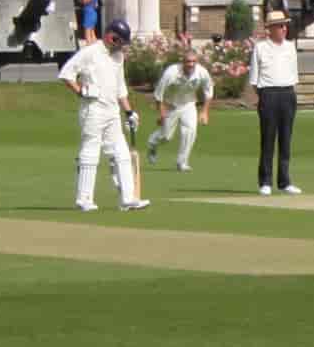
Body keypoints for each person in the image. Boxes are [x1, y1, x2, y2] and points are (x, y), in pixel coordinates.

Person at [62, 23, 148, 213]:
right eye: (120, 42)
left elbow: (120, 88)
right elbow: (66, 74)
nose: (122, 46)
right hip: (93, 110)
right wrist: (81, 91)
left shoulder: (118, 57)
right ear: (111, 37)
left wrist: (129, 112)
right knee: (90, 152)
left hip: (112, 112)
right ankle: (84, 199)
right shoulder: (90, 52)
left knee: (121, 154)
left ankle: (128, 198)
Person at [252, 7, 303, 195]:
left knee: (286, 139)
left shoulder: (290, 47)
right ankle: (265, 181)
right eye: (280, 26)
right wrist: (264, 96)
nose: (284, 29)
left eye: (285, 26)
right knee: (268, 140)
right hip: (268, 94)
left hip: (288, 93)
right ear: (271, 29)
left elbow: (293, 74)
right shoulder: (260, 48)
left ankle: (284, 181)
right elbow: (254, 80)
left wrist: (289, 93)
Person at [151, 39, 213, 173]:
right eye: (188, 62)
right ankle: (153, 144)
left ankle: (182, 162)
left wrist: (204, 112)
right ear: (182, 62)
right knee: (166, 136)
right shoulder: (171, 73)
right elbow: (158, 94)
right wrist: (161, 114)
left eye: (193, 62)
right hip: (171, 105)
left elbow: (209, 92)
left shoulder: (202, 72)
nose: (190, 64)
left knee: (190, 131)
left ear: (197, 62)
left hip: (189, 105)